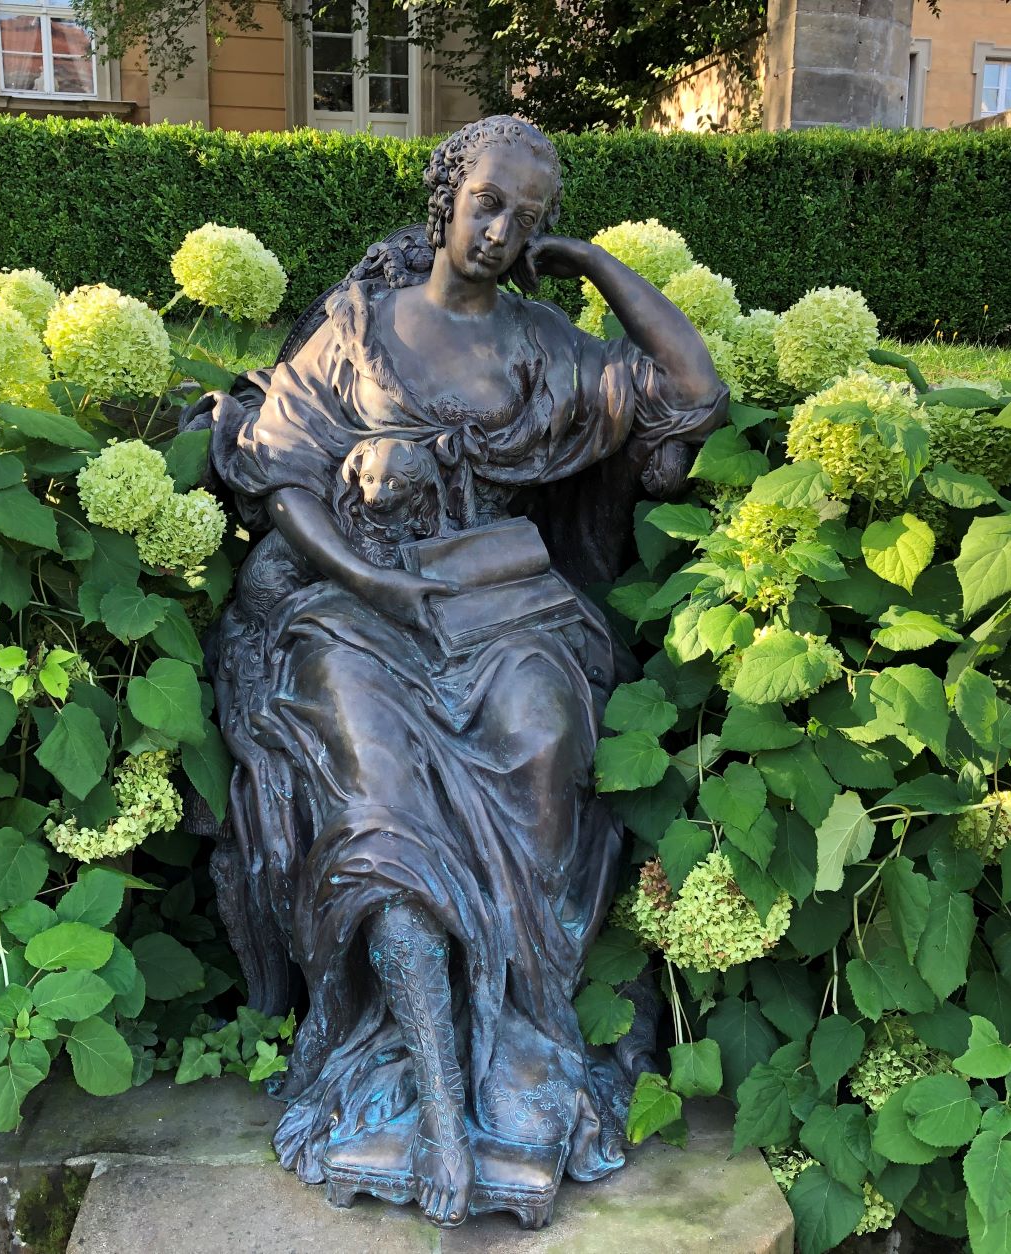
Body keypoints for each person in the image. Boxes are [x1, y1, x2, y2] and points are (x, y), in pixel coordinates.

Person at [202, 114, 726, 1229]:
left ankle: (519, 1041)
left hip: (501, 610)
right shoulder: (360, 324)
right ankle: (433, 1093)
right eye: (486, 203)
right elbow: (284, 476)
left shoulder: (546, 347)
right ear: (446, 194)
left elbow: (692, 390)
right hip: (350, 603)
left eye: (525, 220)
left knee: (543, 736)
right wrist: (374, 582)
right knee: (380, 796)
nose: (498, 232)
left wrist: (589, 264)